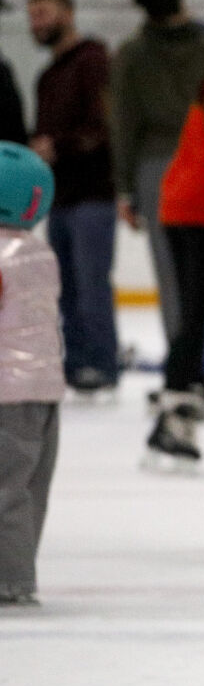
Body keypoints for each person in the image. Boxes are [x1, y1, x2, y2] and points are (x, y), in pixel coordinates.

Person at [110, 0, 204, 353]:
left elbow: (124, 123)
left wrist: (123, 189)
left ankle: (183, 357)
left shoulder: (133, 54)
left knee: (171, 269)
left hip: (157, 165)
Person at [26, 0, 119, 391]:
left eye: (44, 13)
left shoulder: (94, 62)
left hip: (93, 195)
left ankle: (102, 363)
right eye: (32, 16)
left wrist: (56, 145)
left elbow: (104, 127)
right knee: (64, 287)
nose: (36, 23)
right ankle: (77, 360)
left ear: (68, 12)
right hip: (59, 196)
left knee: (91, 283)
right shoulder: (49, 74)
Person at [142, 87, 204, 470]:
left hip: (181, 201)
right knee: (199, 312)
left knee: (195, 310)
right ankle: (178, 403)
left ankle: (184, 392)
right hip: (200, 205)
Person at [0, 143, 61, 606]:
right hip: (41, 395)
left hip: (5, 396)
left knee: (4, 491)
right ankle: (18, 569)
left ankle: (10, 580)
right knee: (28, 488)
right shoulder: (39, 253)